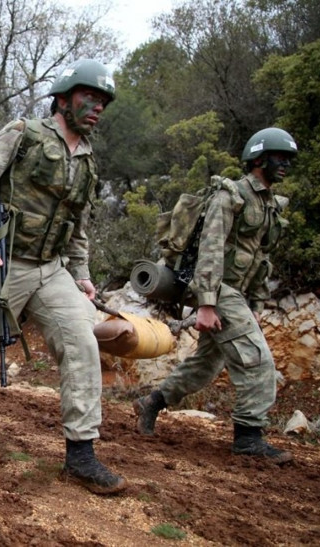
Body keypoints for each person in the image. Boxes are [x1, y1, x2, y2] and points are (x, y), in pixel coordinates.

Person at [0, 59, 127, 495]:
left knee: (81, 343)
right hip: (3, 262)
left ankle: (81, 455)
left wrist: (82, 274)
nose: (97, 107)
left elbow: (77, 225)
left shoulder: (87, 161)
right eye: (89, 97)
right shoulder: (24, 133)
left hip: (52, 269)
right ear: (63, 99)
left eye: (103, 102)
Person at [133, 127, 298, 464]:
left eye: (288, 159)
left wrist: (254, 304)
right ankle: (248, 438)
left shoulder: (269, 204)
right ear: (258, 159)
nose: (285, 165)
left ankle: (152, 402)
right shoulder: (230, 196)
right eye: (279, 158)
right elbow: (209, 250)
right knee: (257, 360)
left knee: (207, 363)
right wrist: (207, 303)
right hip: (216, 288)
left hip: (236, 293)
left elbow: (259, 259)